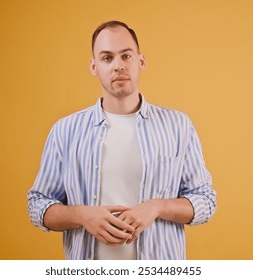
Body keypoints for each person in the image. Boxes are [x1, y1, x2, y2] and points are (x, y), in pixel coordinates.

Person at [27, 20, 217, 260]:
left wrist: (156, 207)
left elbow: (205, 200)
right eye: (107, 58)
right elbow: (37, 205)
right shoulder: (65, 130)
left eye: (126, 56)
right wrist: (83, 216)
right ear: (94, 66)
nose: (118, 66)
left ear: (141, 61)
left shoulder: (178, 125)